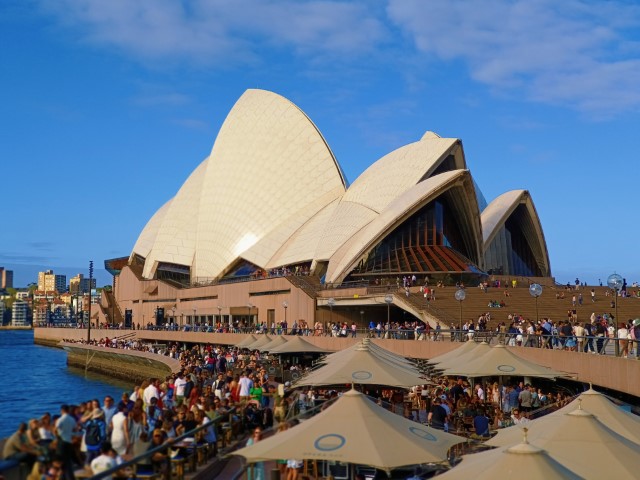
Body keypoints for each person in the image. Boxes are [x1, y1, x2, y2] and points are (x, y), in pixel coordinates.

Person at [54, 404, 78, 480]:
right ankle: (68, 477)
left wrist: (57, 436)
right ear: (68, 410)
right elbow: (75, 429)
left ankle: (64, 477)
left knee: (61, 463)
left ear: (62, 410)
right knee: (68, 461)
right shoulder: (72, 419)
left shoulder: (60, 419)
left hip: (62, 442)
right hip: (69, 442)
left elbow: (55, 430)